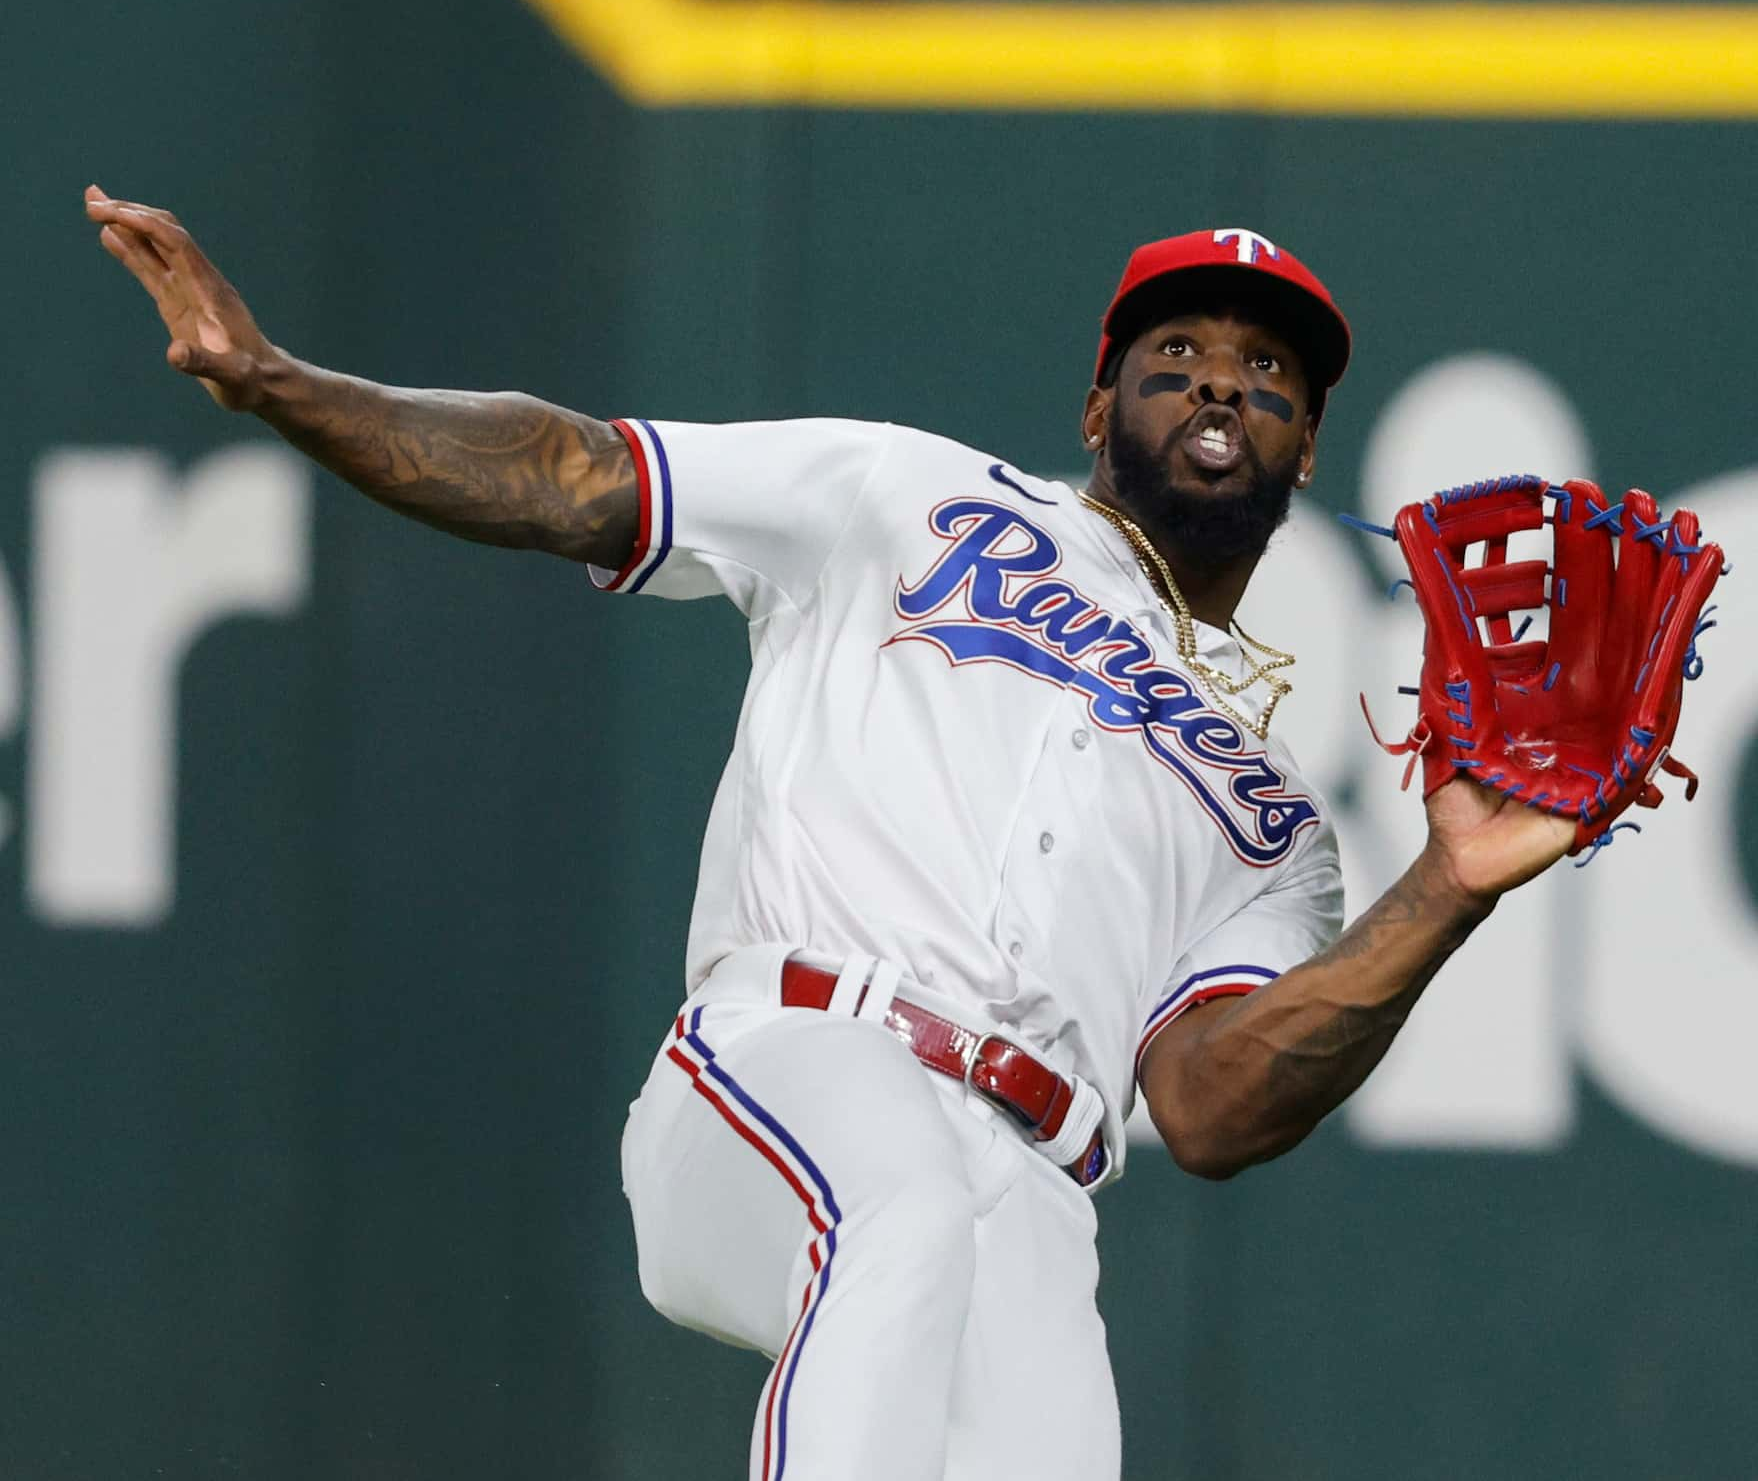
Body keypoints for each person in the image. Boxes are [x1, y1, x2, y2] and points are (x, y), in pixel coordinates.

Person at [88, 183, 1576, 1481]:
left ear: (1305, 446)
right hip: (792, 1056)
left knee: (1039, 1414)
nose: (1213, 384)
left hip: (1039, 1179)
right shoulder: (909, 491)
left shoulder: (1270, 818)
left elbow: (1208, 1106)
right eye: (1170, 353)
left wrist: (1445, 885)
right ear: (1091, 407)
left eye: (1263, 371)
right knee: (901, 1214)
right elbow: (573, 471)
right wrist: (284, 383)